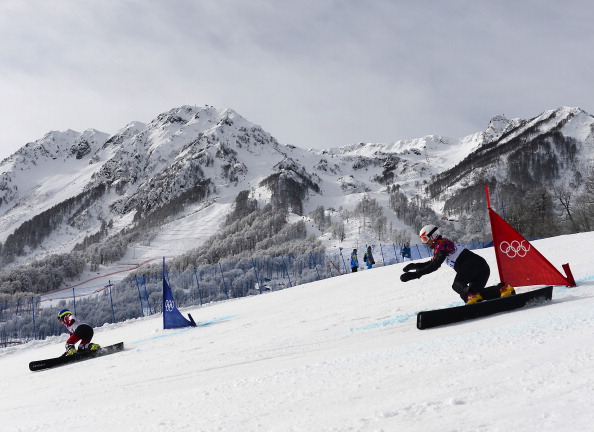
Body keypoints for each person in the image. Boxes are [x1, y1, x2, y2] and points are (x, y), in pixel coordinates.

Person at [399, 224, 515, 304]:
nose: (425, 243)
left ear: (433, 236)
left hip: (471, 264)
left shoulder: (441, 244)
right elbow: (432, 262)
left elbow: (435, 265)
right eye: (422, 240)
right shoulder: (439, 247)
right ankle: (501, 289)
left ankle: (472, 296)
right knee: (474, 294)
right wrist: (415, 266)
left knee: (458, 285)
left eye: (425, 239)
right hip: (481, 267)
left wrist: (416, 274)